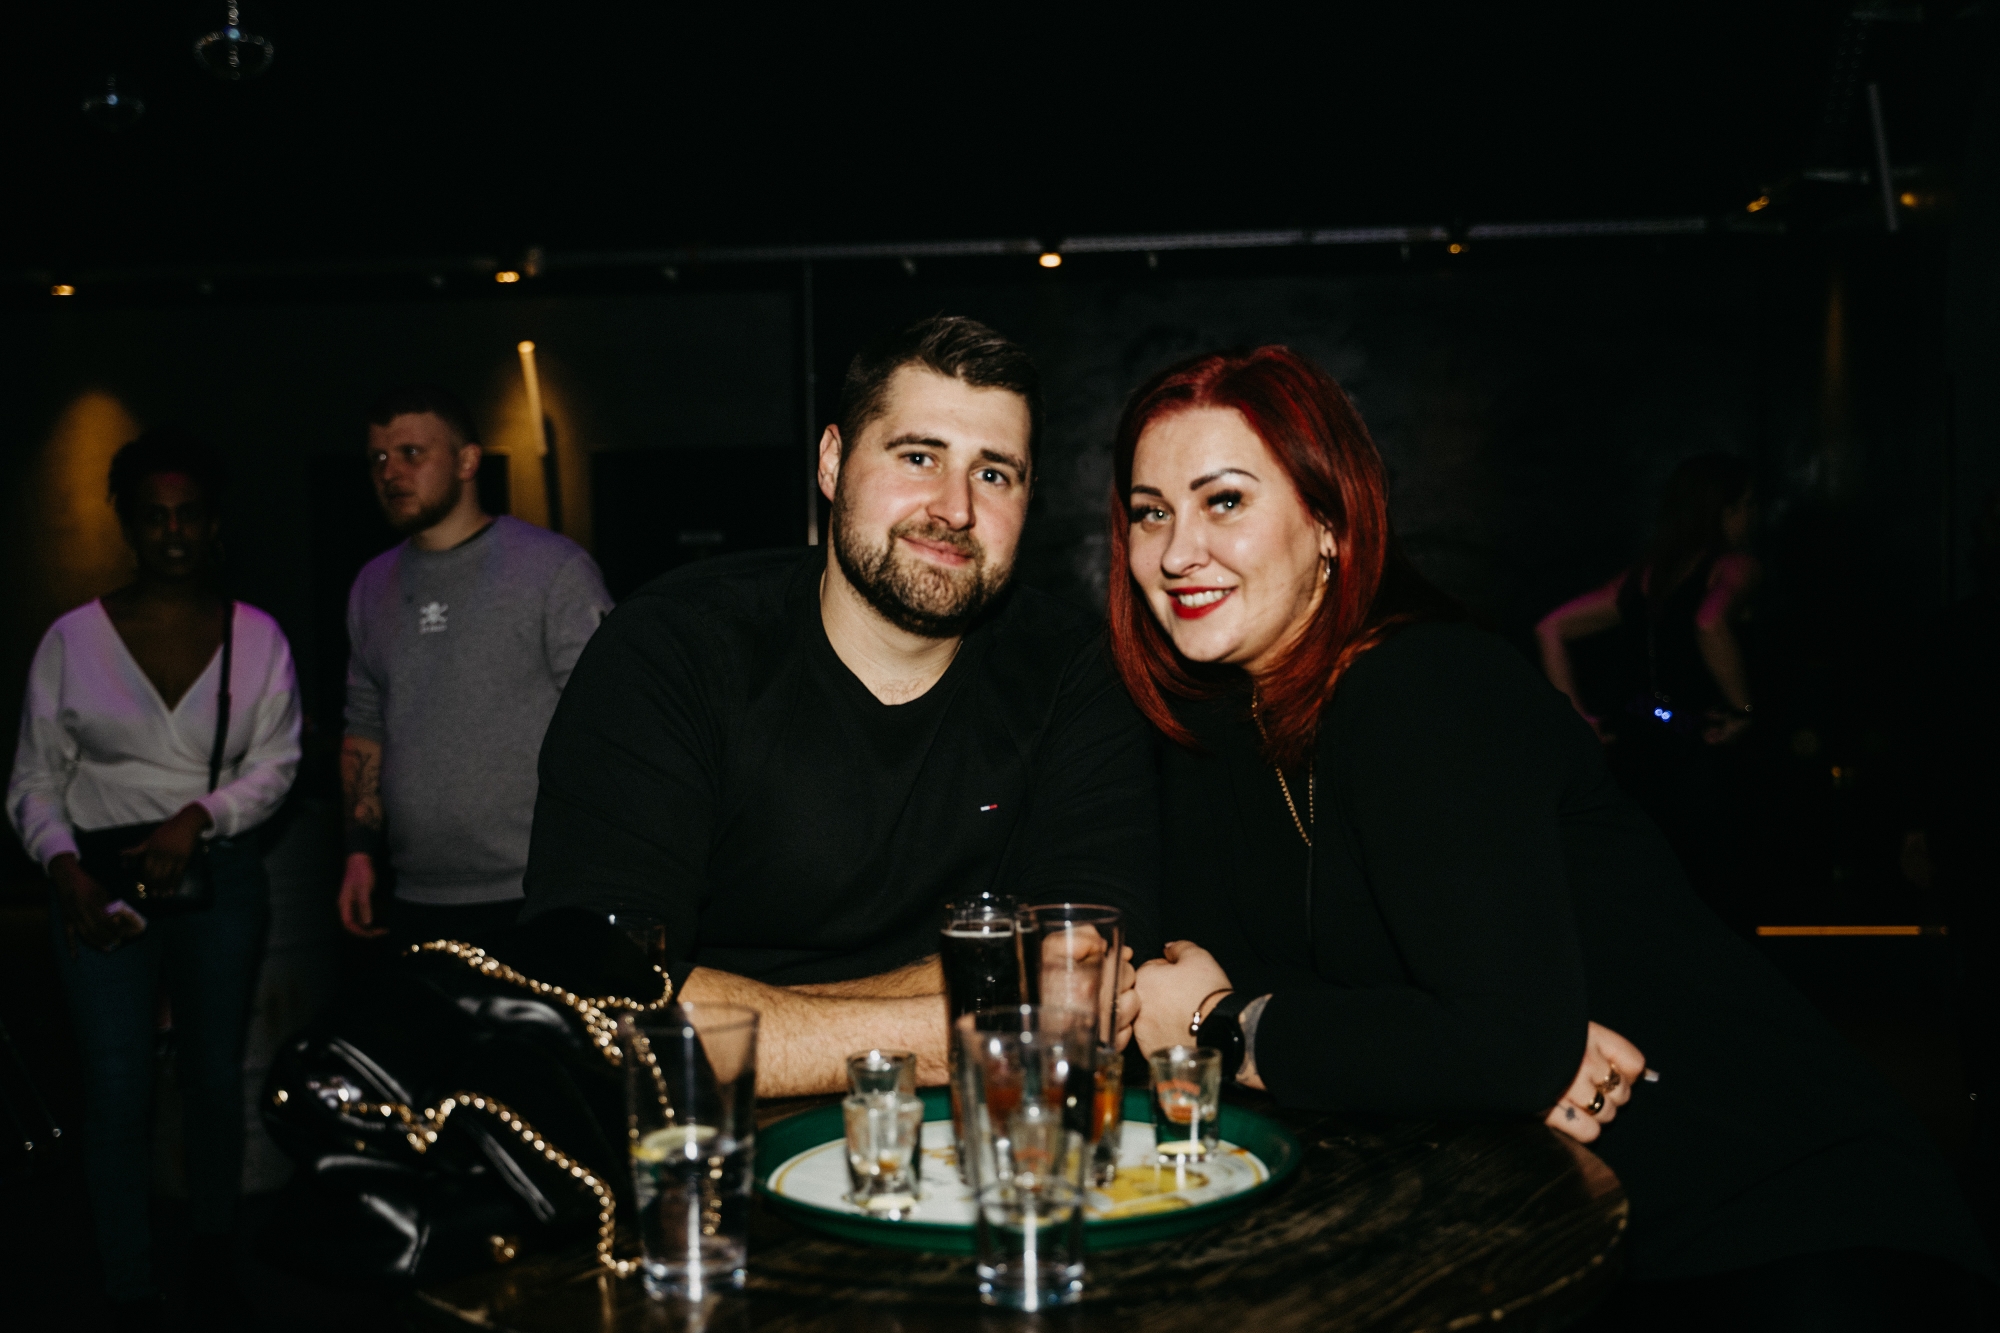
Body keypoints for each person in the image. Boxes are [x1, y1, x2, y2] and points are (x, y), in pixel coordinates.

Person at [1116, 348, 1990, 1324]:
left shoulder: (1422, 687)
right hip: (1578, 1229)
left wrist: (1222, 1025)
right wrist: (1469, 1048)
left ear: (1329, 521)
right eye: (1150, 512)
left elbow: (1486, 1041)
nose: (1177, 551)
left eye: (1223, 501)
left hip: (1785, 1216)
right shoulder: (1221, 726)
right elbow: (1289, 977)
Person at [521, 316, 1160, 1096]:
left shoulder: (1075, 670)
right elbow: (591, 1000)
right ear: (832, 463)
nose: (954, 508)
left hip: (978, 1138)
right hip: (717, 1142)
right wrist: (969, 1022)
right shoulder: (672, 648)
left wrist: (731, 1013)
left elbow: (1086, 976)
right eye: (918, 456)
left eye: (994, 474)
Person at [7, 427, 301, 1320]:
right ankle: (126, 1277)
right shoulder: (72, 640)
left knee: (214, 1076)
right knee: (115, 1083)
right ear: (129, 526)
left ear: (214, 524)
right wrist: (62, 866)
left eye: (189, 514)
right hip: (96, 883)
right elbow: (33, 778)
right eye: (154, 516)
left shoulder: (256, 636)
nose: (173, 531)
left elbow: (279, 762)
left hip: (218, 876)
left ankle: (212, 1251)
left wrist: (199, 816)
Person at [337, 385, 611, 953]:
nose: (390, 472)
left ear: (467, 461)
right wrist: (359, 853)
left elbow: (609, 722)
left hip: (537, 892)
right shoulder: (370, 585)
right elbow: (364, 726)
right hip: (416, 895)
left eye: (412, 453)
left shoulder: (553, 571)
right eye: (378, 457)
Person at [1535, 454, 1760, 919]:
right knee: (1714, 896)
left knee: (1647, 895)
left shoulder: (1646, 576)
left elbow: (1551, 628)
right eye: (1749, 505)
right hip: (1702, 749)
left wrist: (1579, 719)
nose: (1755, 517)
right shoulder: (1734, 567)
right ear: (1727, 510)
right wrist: (1744, 709)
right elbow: (1710, 621)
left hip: (1639, 747)